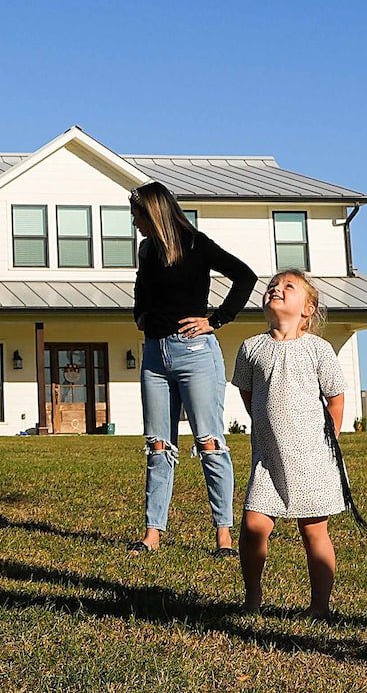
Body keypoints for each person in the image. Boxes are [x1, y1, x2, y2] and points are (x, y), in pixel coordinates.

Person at [128, 180, 254, 555]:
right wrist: (141, 316)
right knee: (157, 445)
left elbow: (244, 276)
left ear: (154, 212)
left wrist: (216, 319)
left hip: (195, 353)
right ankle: (152, 535)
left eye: (137, 213)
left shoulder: (196, 244)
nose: (134, 221)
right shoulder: (147, 250)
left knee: (209, 442)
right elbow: (141, 287)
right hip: (154, 356)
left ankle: (224, 538)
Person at [232, 271, 350, 617]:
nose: (276, 290)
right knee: (253, 527)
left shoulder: (318, 349)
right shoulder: (251, 348)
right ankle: (252, 599)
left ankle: (319, 606)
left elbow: (336, 397)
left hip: (313, 459)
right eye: (272, 286)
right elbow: (248, 393)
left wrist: (331, 440)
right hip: (268, 459)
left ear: (307, 309)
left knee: (314, 532)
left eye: (288, 287)